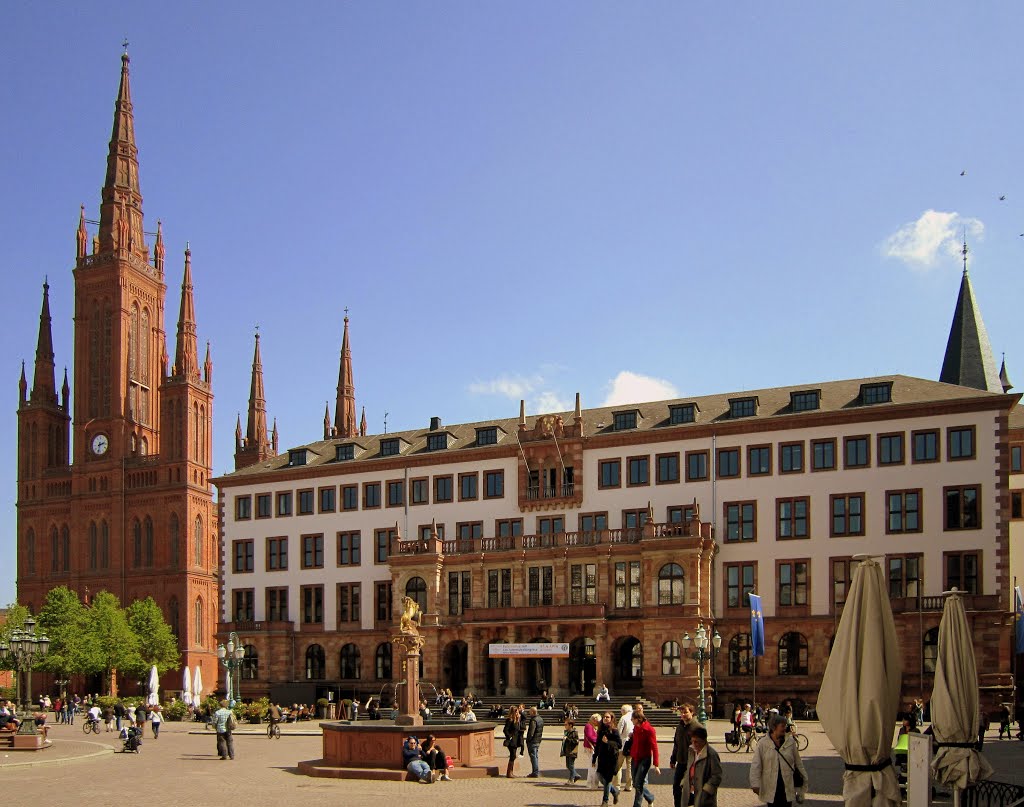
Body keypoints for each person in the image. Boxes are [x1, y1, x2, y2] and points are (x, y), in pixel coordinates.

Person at [750, 714, 808, 807]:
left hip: (787, 785)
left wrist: (804, 780)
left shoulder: (790, 742)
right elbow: (756, 765)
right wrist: (755, 784)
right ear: (774, 727)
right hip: (771, 786)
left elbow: (798, 763)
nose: (785, 728)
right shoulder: (763, 743)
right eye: (782, 726)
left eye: (785, 726)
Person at [671, 703, 702, 807]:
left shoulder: (697, 727)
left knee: (689, 788)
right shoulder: (680, 727)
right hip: (681, 761)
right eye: (682, 712)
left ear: (692, 713)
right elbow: (676, 744)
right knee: (676, 787)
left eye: (686, 712)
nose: (683, 714)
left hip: (693, 763)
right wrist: (673, 759)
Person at [682, 727, 722, 807]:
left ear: (704, 741)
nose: (694, 744)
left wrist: (706, 790)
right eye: (692, 741)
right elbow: (688, 767)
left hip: (704, 795)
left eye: (696, 742)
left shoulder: (711, 754)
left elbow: (717, 775)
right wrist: (684, 782)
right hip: (690, 790)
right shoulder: (691, 751)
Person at [630, 712, 660, 807]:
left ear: (638, 719)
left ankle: (637, 805)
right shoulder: (635, 728)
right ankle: (650, 797)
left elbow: (654, 747)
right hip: (635, 758)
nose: (631, 720)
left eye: (633, 719)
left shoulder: (649, 730)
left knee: (639, 783)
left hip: (644, 759)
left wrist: (656, 764)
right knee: (635, 783)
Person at [596, 711, 623, 805]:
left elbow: (619, 744)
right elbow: (597, 745)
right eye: (604, 717)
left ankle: (605, 801)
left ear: (612, 719)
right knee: (599, 776)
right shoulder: (601, 730)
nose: (605, 718)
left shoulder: (614, 730)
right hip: (602, 758)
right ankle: (615, 791)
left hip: (611, 759)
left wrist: (608, 743)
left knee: (607, 780)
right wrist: (594, 757)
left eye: (607, 717)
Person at [617, 703, 635, 792]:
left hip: (622, 745)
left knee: (618, 765)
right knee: (629, 766)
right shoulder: (634, 718)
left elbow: (618, 732)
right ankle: (629, 785)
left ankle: (616, 785)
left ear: (623, 711)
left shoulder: (623, 718)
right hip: (631, 744)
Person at [503, 706, 524, 778]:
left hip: (515, 741)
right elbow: (505, 730)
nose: (518, 713)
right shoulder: (510, 720)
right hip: (511, 741)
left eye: (518, 712)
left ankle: (511, 772)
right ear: (513, 712)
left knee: (513, 756)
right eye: (516, 712)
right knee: (513, 755)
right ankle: (509, 773)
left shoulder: (517, 720)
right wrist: (509, 736)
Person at [526, 705, 545, 777]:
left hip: (533, 741)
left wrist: (528, 740)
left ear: (533, 712)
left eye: (530, 711)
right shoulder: (540, 719)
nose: (529, 712)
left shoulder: (534, 720)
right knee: (535, 756)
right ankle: (536, 771)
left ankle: (535, 772)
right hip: (538, 740)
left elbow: (531, 732)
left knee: (533, 756)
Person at [584, 712, 602, 788]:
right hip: (591, 747)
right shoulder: (589, 726)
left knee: (594, 765)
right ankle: (591, 783)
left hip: (594, 747)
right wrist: (599, 741)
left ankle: (594, 782)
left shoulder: (595, 727)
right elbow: (590, 736)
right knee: (593, 765)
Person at [561, 718, 581, 783]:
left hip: (572, 751)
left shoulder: (574, 733)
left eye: (566, 724)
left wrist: (567, 739)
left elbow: (576, 741)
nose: (565, 726)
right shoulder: (567, 732)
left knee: (571, 765)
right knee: (568, 765)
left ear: (570, 725)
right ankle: (573, 777)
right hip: (567, 751)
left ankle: (573, 777)